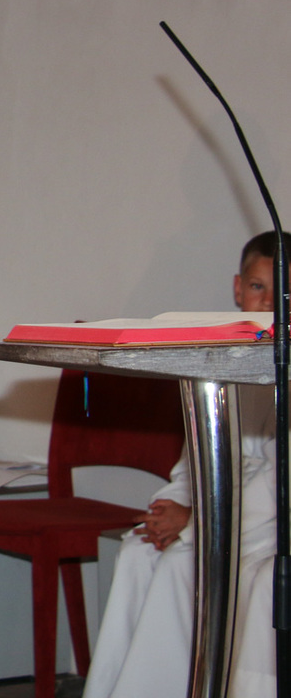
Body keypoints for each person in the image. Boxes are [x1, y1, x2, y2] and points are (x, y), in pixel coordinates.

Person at [82, 231, 284, 698]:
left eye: (282, 292)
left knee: (180, 564)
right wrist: (170, 507)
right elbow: (196, 455)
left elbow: (278, 482)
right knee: (138, 551)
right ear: (238, 288)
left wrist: (196, 522)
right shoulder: (219, 355)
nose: (268, 302)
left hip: (267, 523)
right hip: (224, 510)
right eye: (258, 287)